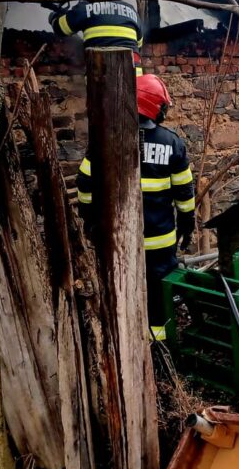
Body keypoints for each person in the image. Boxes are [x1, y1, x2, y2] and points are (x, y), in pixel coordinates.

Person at [76, 73, 195, 339]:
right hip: (160, 243)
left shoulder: (107, 137)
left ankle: (123, 339)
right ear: (156, 107)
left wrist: (89, 218)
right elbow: (184, 193)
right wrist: (188, 224)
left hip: (118, 240)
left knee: (120, 288)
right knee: (158, 296)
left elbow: (84, 183)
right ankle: (158, 348)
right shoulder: (172, 143)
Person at [48, 0, 145, 75]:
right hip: (134, 76)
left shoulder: (84, 8)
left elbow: (60, 28)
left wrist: (54, 17)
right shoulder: (132, 10)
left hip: (100, 77)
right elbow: (139, 43)